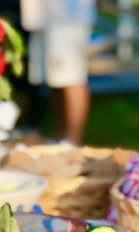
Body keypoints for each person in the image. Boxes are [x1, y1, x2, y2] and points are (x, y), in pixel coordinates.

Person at [21, 0, 95, 145]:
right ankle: (59, 139)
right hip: (43, 16)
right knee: (54, 82)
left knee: (72, 79)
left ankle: (73, 142)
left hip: (67, 16)